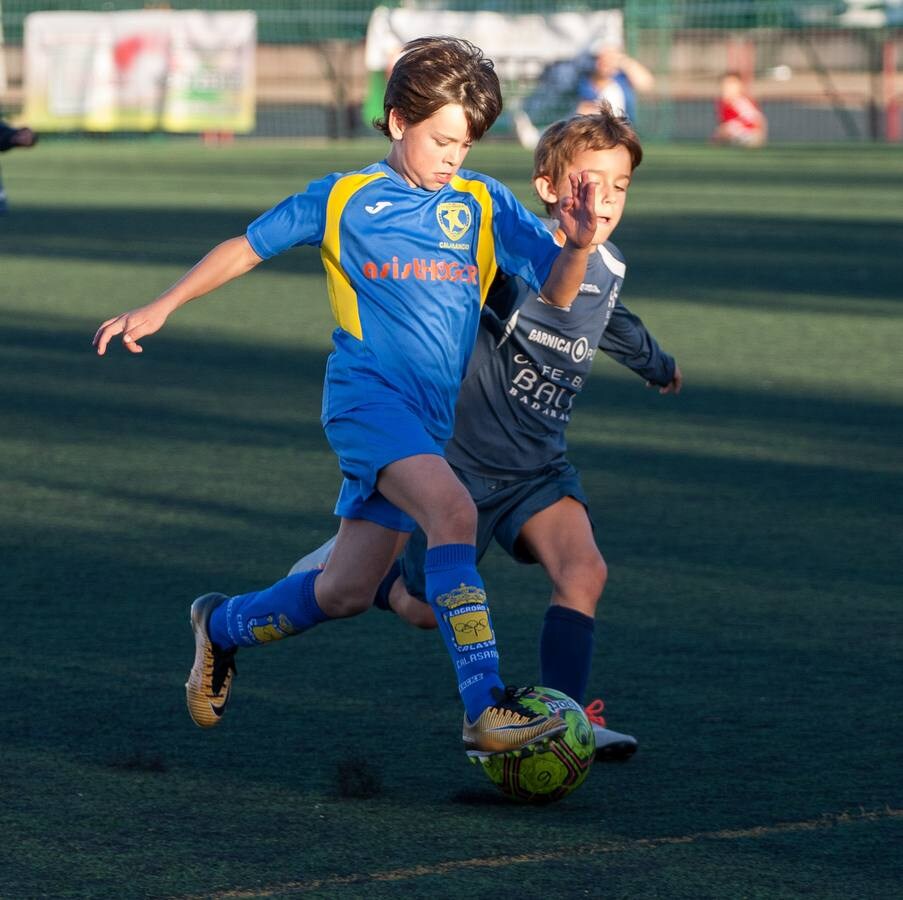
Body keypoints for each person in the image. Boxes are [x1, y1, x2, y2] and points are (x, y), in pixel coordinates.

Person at [92, 37, 601, 758]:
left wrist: (576, 246)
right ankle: (485, 710)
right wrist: (163, 304)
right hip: (366, 403)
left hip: (428, 421)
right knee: (453, 511)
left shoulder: (483, 201)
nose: (454, 156)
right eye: (441, 139)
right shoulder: (343, 198)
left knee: (345, 593)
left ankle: (221, 625)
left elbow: (554, 290)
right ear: (398, 122)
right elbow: (247, 244)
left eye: (466, 142)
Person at [290, 104, 682, 762]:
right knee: (421, 608)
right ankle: (364, 569)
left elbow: (606, 316)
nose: (605, 199)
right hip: (460, 468)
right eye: (589, 183)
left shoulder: (606, 266)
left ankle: (564, 720)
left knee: (583, 570)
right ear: (549, 188)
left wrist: (654, 362)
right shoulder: (506, 260)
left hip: (536, 465)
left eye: (618, 186)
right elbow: (490, 289)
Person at [575, 43, 655, 123]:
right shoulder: (582, 82)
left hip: (622, 132)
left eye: (609, 59)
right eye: (599, 59)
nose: (604, 63)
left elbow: (646, 83)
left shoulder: (621, 79)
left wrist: (624, 61)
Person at [712, 72, 767, 148]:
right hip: (734, 136)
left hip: (747, 135)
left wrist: (759, 136)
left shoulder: (740, 102)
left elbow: (758, 119)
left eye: (731, 86)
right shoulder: (722, 103)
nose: (727, 89)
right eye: (725, 85)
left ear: (740, 87)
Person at [0, 120, 38, 213]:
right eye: (26, 137)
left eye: (27, 141)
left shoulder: (9, 142)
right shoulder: (6, 132)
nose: (24, 139)